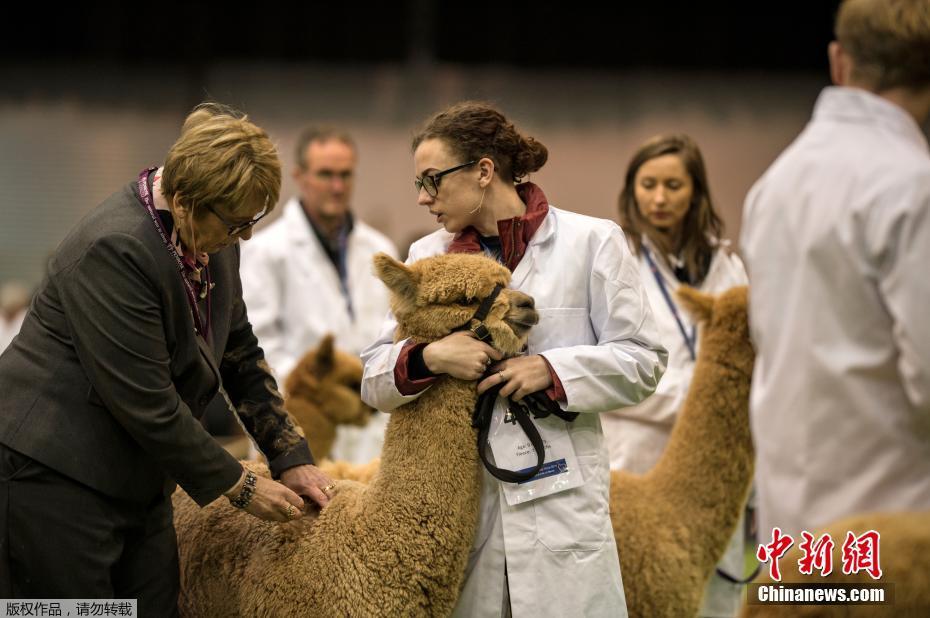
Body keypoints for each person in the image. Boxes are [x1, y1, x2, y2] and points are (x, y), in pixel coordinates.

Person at [0, 103, 335, 614]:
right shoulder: (114, 249)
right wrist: (243, 487)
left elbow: (239, 351)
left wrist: (288, 455)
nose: (244, 237)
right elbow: (147, 403)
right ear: (182, 201)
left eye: (253, 221)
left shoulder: (214, 232)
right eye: (236, 224)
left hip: (140, 478)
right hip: (54, 476)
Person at [360, 101, 667, 617]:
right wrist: (430, 356)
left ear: (483, 171)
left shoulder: (590, 243)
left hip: (560, 506)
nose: (422, 198)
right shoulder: (424, 258)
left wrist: (552, 370)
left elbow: (643, 360)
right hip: (467, 510)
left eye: (433, 180)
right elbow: (372, 374)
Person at [741, 0, 930, 541]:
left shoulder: (777, 182)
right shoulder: (912, 185)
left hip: (793, 523)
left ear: (838, 60)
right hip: (890, 525)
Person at [605, 133, 749, 617]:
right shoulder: (616, 265)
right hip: (638, 460)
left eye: (673, 184)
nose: (659, 198)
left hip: (710, 470)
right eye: (648, 184)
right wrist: (702, 400)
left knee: (718, 597)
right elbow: (610, 373)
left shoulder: (728, 269)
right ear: (632, 191)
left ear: (696, 192)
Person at [241, 127, 397, 463]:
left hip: (371, 430)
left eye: (345, 175)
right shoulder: (267, 251)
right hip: (300, 427)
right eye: (325, 174)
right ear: (299, 176)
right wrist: (317, 396)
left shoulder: (379, 250)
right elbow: (256, 349)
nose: (337, 186)